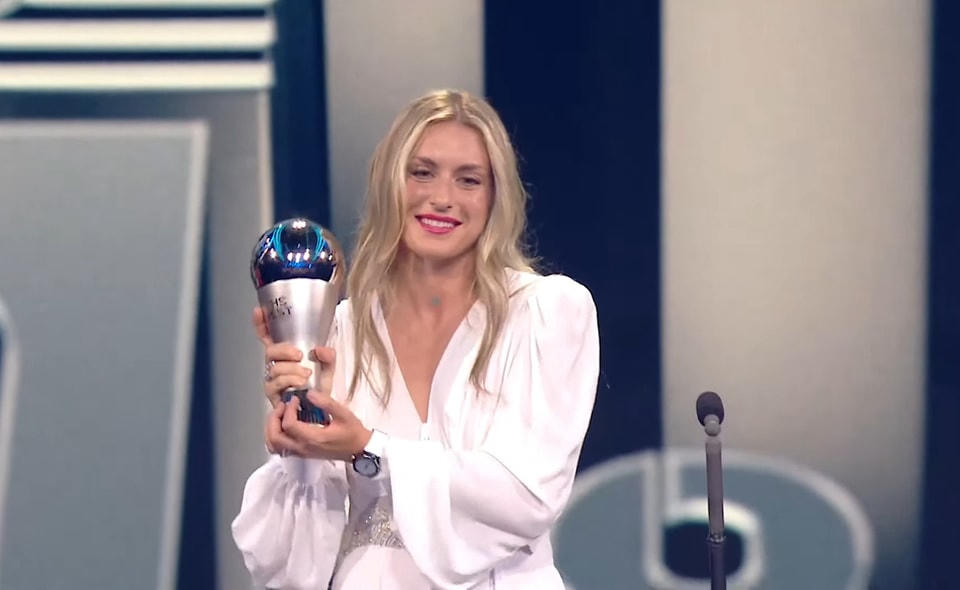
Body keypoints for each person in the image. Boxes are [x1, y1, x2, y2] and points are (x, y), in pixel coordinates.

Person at [232, 89, 600, 589]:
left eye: (468, 179)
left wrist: (368, 449)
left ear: (495, 197)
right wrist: (301, 444)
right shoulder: (340, 330)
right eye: (422, 172)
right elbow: (290, 568)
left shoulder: (546, 312)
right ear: (389, 182)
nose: (442, 197)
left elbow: (525, 498)